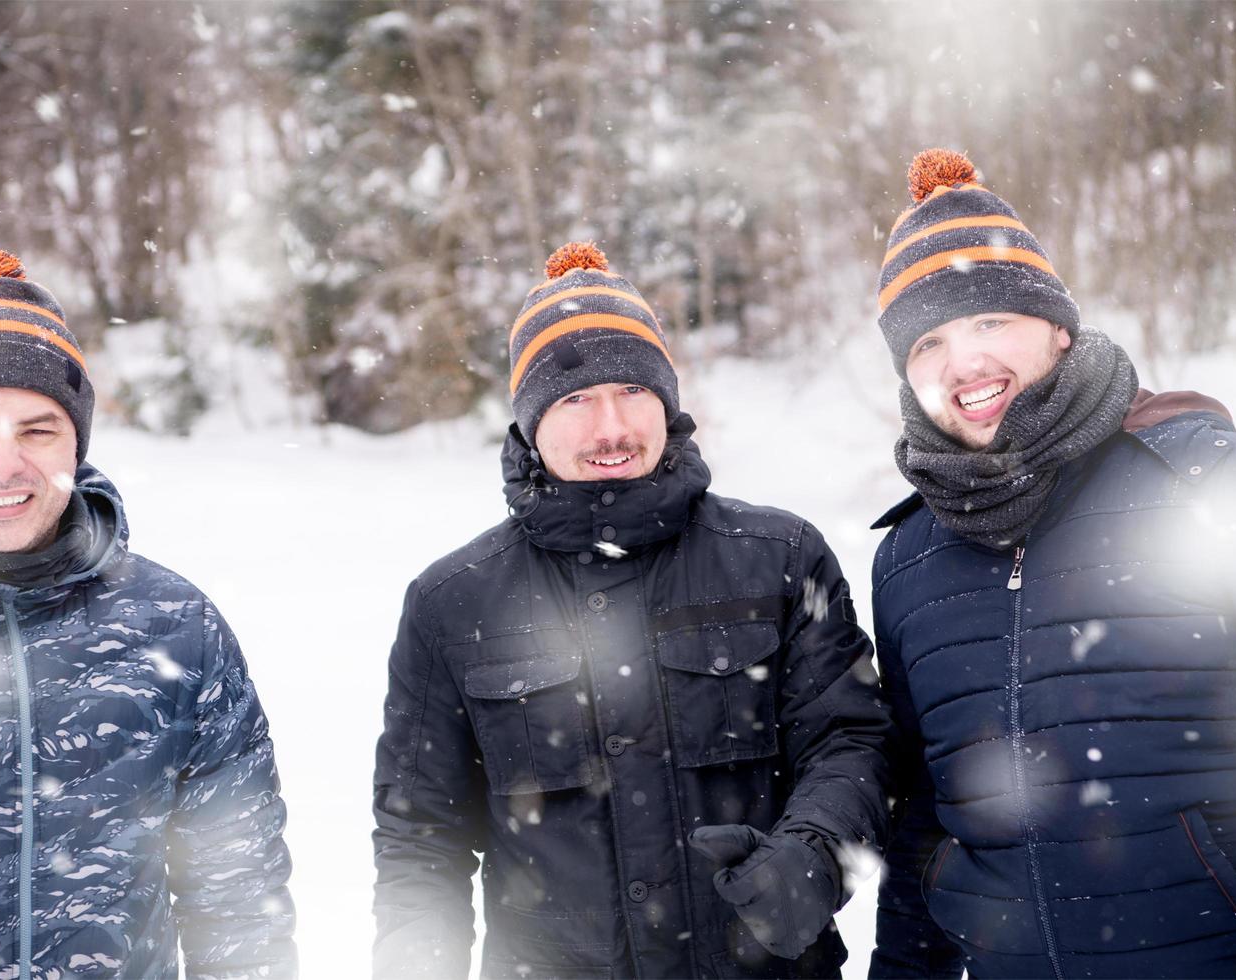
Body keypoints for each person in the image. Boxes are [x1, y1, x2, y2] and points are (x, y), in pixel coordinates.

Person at [372, 241, 892, 979]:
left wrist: (813, 851)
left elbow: (852, 743)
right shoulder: (452, 602)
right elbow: (420, 837)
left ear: (669, 401)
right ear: (527, 422)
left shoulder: (778, 557)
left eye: (633, 391)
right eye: (575, 398)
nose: (610, 426)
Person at [867, 150, 1236, 978]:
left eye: (991, 321)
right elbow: (924, 820)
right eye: (930, 342)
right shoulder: (906, 560)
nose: (965, 364)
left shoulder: (1221, 484)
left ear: (1059, 327)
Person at [0, 248, 296, 978]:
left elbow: (235, 893)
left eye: (38, 429)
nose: (4, 463)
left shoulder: (176, 626)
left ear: (75, 445)